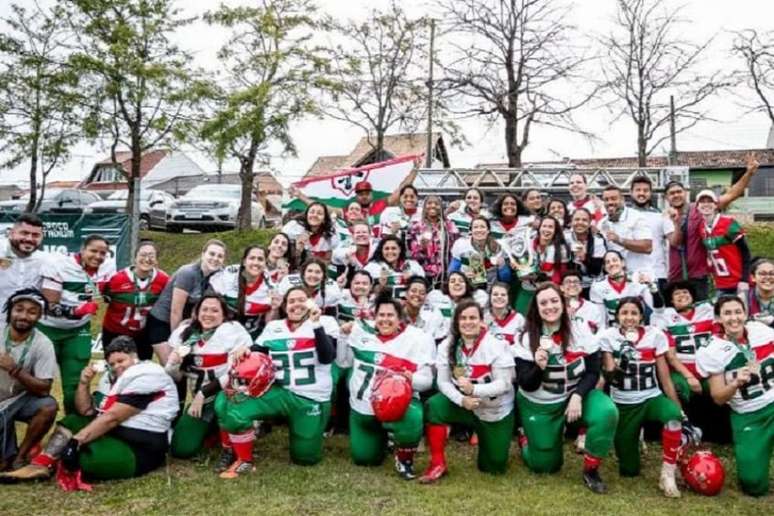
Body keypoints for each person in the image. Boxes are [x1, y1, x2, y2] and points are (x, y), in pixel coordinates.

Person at [2, 336, 178, 484]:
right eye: (112, 363)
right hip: (115, 434)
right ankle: (41, 464)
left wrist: (75, 441)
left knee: (89, 464)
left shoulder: (148, 374)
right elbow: (85, 410)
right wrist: (84, 383)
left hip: (141, 445)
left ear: (134, 357)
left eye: (121, 361)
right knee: (72, 420)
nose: (117, 366)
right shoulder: (111, 378)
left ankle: (64, 458)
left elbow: (113, 417)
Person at [216, 286, 339, 478]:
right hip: (279, 392)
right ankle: (243, 459)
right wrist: (246, 350)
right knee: (233, 403)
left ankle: (301, 432)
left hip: (311, 398)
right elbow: (257, 351)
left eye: (301, 300)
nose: (296, 305)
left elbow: (327, 357)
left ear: (311, 302)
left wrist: (316, 325)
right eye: (291, 301)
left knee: (305, 458)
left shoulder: (325, 323)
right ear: (285, 306)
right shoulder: (275, 327)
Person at [512, 283, 618, 494]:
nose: (549, 306)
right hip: (540, 404)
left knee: (606, 412)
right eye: (543, 303)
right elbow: (527, 384)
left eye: (554, 301)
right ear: (536, 307)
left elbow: (592, 371)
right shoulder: (526, 337)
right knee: (544, 466)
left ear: (563, 303)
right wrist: (538, 367)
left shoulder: (580, 329)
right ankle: (526, 439)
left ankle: (591, 470)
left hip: (572, 395)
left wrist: (578, 395)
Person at [336, 293, 434, 479]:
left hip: (398, 406)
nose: (385, 319)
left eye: (390, 315)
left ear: (400, 319)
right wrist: (342, 335)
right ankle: (382, 439)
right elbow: (342, 363)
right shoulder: (361, 332)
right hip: (363, 408)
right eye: (381, 315)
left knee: (412, 417)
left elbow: (427, 381)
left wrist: (411, 378)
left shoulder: (417, 338)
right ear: (375, 316)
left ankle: (404, 457)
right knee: (365, 459)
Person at [420, 300, 515, 483]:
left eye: (473, 317)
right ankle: (438, 463)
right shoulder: (448, 345)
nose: (467, 322)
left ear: (481, 321)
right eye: (463, 318)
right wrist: (461, 400)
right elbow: (443, 382)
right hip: (465, 406)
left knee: (493, 467)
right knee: (434, 406)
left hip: (493, 410)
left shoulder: (495, 345)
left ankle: (508, 438)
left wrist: (475, 390)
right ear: (456, 322)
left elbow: (505, 384)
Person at [598, 297, 684, 498]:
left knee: (672, 416)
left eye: (634, 313)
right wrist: (622, 361)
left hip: (650, 397)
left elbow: (664, 377)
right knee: (629, 471)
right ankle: (636, 439)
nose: (629, 317)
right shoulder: (608, 336)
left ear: (642, 316)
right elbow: (610, 375)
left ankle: (668, 473)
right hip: (623, 403)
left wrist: (678, 407)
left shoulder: (654, 335)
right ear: (617, 316)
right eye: (624, 313)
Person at [696, 295, 773, 497]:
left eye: (738, 312)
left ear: (745, 314)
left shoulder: (761, 331)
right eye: (727, 313)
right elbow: (719, 398)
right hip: (749, 415)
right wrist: (735, 383)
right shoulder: (712, 350)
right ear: (718, 319)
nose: (734, 318)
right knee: (753, 483)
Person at [165, 293, 252, 462]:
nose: (208, 314)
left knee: (223, 406)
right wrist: (173, 363)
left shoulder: (232, 330)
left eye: (214, 310)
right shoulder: (185, 333)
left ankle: (238, 431)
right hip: (201, 402)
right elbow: (173, 378)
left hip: (226, 394)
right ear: (196, 312)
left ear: (224, 315)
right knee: (181, 449)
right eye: (204, 309)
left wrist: (203, 393)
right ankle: (213, 429)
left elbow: (237, 372)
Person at [39, 234, 116, 415]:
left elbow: (109, 292)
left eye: (102, 253)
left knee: (76, 382)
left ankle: (71, 428)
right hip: (48, 329)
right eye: (93, 251)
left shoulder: (106, 268)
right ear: (82, 250)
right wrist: (77, 311)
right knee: (40, 383)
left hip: (77, 331)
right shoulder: (60, 265)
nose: (98, 256)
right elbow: (49, 306)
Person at [665, 153, 758, 300]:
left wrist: (749, 173)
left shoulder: (701, 207)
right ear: (666, 197)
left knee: (703, 313)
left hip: (698, 275)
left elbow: (732, 194)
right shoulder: (664, 217)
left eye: (679, 192)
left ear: (686, 193)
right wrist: (675, 222)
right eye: (671, 193)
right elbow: (674, 242)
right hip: (676, 276)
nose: (676, 195)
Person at [0, 289, 57, 471]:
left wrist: (14, 369)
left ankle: (20, 456)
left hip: (18, 399)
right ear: (10, 310)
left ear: (39, 316)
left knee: (48, 406)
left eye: (32, 312)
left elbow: (44, 389)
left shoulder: (43, 343)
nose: (24, 316)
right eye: (19, 309)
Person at [147, 239, 226, 364]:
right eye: (211, 254)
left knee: (187, 366)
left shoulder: (219, 276)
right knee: (172, 365)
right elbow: (175, 310)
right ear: (203, 254)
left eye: (220, 256)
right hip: (162, 322)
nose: (215, 259)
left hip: (183, 323)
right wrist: (177, 341)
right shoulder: (188, 273)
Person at [101, 240, 169, 360]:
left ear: (157, 259)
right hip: (115, 331)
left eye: (151, 255)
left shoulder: (163, 280)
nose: (147, 259)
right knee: (116, 369)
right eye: (143, 255)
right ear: (135, 257)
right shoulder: (117, 279)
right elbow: (101, 297)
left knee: (141, 370)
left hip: (143, 334)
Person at [651, 281, 715, 405]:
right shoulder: (666, 316)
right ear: (671, 300)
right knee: (679, 388)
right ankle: (685, 420)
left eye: (685, 292)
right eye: (677, 294)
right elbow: (671, 356)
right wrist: (689, 376)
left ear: (692, 296)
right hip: (682, 369)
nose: (682, 295)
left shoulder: (707, 309)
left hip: (709, 368)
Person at [695, 189, 751, 297]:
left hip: (738, 281)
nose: (706, 204)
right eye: (702, 201)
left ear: (715, 205)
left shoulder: (729, 223)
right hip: (721, 284)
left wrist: (744, 279)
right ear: (697, 206)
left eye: (709, 201)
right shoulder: (701, 227)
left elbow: (746, 253)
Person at [209, 246, 273, 339]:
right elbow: (208, 298)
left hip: (251, 337)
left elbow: (269, 323)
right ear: (244, 261)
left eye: (260, 259)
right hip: (220, 333)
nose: (255, 262)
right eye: (252, 258)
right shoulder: (229, 275)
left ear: (265, 264)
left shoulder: (270, 287)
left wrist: (274, 308)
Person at [629, 176, 678, 290]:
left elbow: (674, 242)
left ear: (651, 193)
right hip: (631, 275)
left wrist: (676, 222)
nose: (642, 193)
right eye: (638, 190)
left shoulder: (661, 216)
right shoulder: (623, 216)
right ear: (631, 192)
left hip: (657, 274)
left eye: (645, 190)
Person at [406, 195, 458, 287]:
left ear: (441, 207)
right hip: (424, 276)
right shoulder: (416, 227)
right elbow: (411, 255)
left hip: (446, 275)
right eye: (429, 203)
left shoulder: (449, 226)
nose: (433, 206)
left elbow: (456, 248)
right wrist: (421, 247)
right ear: (424, 207)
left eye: (436, 204)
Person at [599, 185, 653, 275]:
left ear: (622, 199)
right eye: (606, 200)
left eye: (613, 199)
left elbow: (647, 247)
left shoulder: (636, 217)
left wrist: (619, 240)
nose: (610, 202)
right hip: (616, 277)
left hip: (639, 276)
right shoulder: (602, 223)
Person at [590, 250, 654, 324]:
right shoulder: (598, 286)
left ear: (623, 262)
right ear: (604, 267)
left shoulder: (637, 279)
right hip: (614, 331)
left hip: (637, 328)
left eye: (615, 260)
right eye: (607, 262)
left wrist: (651, 286)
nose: (611, 264)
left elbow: (656, 308)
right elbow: (601, 319)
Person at [0, 213, 47, 311]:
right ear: (11, 233)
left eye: (36, 235)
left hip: (26, 323)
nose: (29, 239)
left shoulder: (46, 261)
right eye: (24, 233)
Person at [449, 216, 511, 292]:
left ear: (488, 230)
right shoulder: (461, 244)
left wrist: (502, 266)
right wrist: (462, 276)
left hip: (491, 290)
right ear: (471, 230)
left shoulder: (498, 247)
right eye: (475, 227)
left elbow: (506, 280)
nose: (479, 230)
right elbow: (451, 272)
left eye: (482, 227)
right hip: (466, 289)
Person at [276, 258, 342, 313]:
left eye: (318, 272)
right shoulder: (288, 282)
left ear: (323, 276)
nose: (313, 275)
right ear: (303, 273)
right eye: (310, 271)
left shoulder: (332, 289)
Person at [565, 208, 606, 296]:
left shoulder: (597, 241)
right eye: (577, 219)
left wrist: (585, 258)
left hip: (592, 285)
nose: (580, 222)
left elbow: (596, 271)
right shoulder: (565, 238)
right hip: (569, 284)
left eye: (584, 220)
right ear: (571, 221)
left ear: (590, 222)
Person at [402, 276, 446, 343]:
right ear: (406, 294)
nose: (417, 294)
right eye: (413, 291)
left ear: (426, 297)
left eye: (422, 293)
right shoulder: (396, 313)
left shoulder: (434, 314)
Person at [533, 216, 570, 284]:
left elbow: (561, 273)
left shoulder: (561, 249)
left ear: (555, 231)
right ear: (539, 228)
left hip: (553, 285)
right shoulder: (531, 243)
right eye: (544, 226)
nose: (546, 229)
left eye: (550, 227)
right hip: (531, 282)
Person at [748, 258, 774, 326]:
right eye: (762, 274)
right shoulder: (745, 298)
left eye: (772, 274)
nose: (768, 277)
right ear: (753, 277)